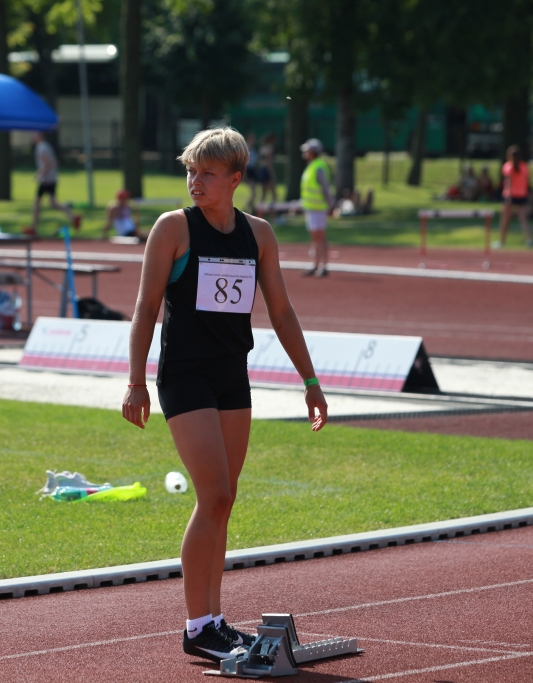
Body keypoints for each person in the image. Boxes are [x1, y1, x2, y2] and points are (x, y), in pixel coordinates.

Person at [121, 127, 328, 664]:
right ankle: (196, 625)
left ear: (235, 179)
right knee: (211, 494)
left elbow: (280, 311)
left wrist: (310, 382)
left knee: (226, 499)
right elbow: (145, 308)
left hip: (232, 376)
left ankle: (214, 619)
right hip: (185, 375)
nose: (195, 181)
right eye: (190, 171)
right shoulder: (172, 229)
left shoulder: (258, 235)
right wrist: (135, 380)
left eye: (207, 174)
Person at [30, 132, 78, 236]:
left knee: (37, 203)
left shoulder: (41, 148)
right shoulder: (47, 146)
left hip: (46, 179)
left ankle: (34, 228)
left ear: (40, 136)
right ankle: (72, 216)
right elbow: (55, 162)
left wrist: (39, 175)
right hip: (51, 178)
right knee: (53, 203)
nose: (32, 137)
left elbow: (47, 164)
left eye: (34, 135)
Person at [299, 138, 335, 276]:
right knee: (315, 238)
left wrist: (331, 205)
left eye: (307, 150)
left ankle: (322, 266)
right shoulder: (313, 165)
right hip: (312, 208)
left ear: (313, 152)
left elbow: (325, 188)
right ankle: (316, 265)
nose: (305, 153)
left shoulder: (318, 166)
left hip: (318, 208)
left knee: (319, 237)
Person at [494, 145, 533, 249]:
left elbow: (508, 182)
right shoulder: (524, 166)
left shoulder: (508, 166)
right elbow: (527, 182)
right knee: (523, 219)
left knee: (505, 219)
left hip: (510, 195)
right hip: (522, 194)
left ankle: (502, 241)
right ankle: (529, 240)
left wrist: (509, 196)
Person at [257, 133, 278, 205]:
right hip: (267, 170)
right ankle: (274, 210)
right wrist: (272, 173)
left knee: (263, 193)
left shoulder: (262, 148)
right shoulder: (269, 148)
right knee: (273, 193)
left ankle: (259, 209)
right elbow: (269, 162)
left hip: (262, 169)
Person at [243, 132, 259, 211]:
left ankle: (252, 207)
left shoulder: (253, 149)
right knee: (253, 192)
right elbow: (245, 162)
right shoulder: (246, 148)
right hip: (248, 170)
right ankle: (247, 207)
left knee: (254, 192)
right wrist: (245, 174)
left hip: (252, 170)